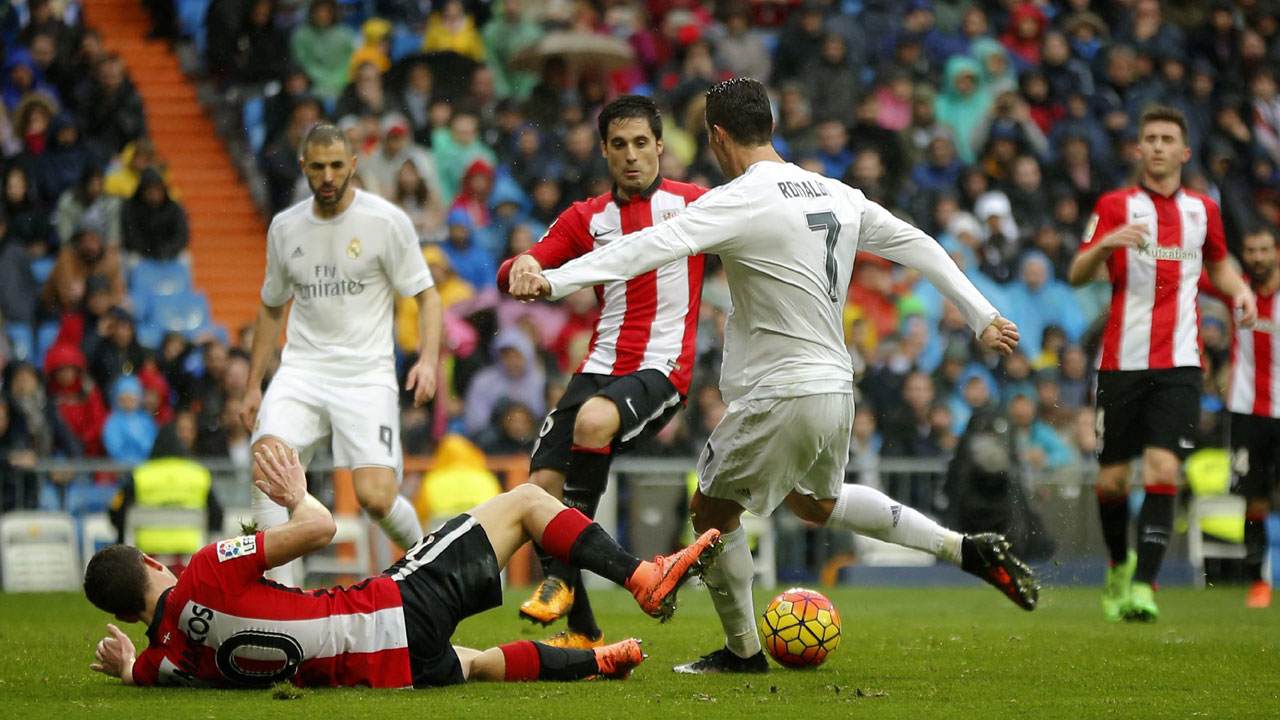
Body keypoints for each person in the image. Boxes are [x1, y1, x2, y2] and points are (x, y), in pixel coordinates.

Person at [510, 78, 1039, 674]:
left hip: (780, 391)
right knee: (816, 505)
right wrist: (982, 316)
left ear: (717, 136)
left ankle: (742, 654)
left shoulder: (739, 198)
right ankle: (961, 547)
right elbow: (919, 244)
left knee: (710, 512)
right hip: (838, 387)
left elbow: (645, 248)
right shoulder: (837, 193)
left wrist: (555, 280)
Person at [84, 444, 721, 688]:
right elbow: (321, 528)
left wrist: (122, 668)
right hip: (389, 608)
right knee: (527, 501)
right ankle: (644, 576)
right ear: (149, 561)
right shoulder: (202, 572)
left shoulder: (159, 667)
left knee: (476, 665)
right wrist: (295, 494)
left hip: (378, 671)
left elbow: (143, 665)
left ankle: (599, 659)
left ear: (121, 614)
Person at [496, 95, 707, 650]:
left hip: (663, 367)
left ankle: (561, 580)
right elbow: (527, 263)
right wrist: (521, 264)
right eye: (620, 145)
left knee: (592, 422)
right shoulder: (585, 218)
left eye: (642, 143)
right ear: (605, 151)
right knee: (539, 490)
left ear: (661, 146)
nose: (632, 155)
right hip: (598, 367)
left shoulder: (697, 205)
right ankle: (584, 631)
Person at [1067, 106, 1257, 623]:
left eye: (1166, 138)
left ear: (1183, 151)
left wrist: (1240, 291)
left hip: (1181, 362)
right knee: (1110, 481)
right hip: (1121, 363)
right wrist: (1104, 242)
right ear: (1137, 150)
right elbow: (1079, 273)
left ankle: (1144, 587)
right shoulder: (1113, 205)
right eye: (1148, 137)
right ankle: (1117, 563)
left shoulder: (1203, 211)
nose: (1156, 146)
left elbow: (1219, 262)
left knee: (1163, 468)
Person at [239, 124, 444, 588]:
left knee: (375, 497)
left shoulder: (385, 222)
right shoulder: (285, 227)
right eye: (318, 167)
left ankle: (432, 568)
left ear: (353, 166)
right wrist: (254, 386)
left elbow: (428, 297)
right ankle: (278, 606)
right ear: (303, 169)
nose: (328, 176)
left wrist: (428, 360)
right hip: (302, 370)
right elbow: (272, 308)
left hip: (365, 375)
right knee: (269, 469)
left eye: (337, 166)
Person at [1225, 227, 1280, 609]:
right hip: (1246, 409)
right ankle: (1257, 580)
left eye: (1263, 249)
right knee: (1254, 499)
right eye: (1250, 249)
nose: (1257, 257)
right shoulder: (1235, 290)